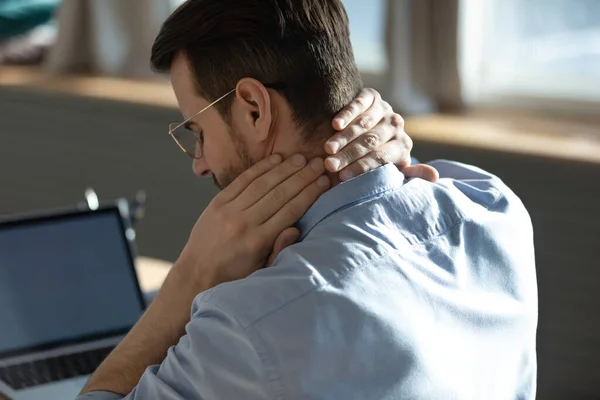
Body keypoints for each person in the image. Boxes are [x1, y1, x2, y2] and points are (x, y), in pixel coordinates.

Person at [79, 0, 537, 399]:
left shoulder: (246, 326)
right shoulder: (494, 210)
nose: (199, 162)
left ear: (254, 109)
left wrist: (187, 279)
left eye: (197, 131)